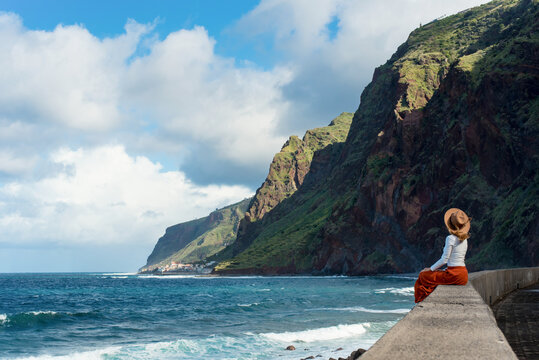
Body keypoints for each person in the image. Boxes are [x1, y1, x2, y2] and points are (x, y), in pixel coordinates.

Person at [414, 208, 471, 303]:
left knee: (423, 275)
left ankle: (423, 300)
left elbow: (444, 260)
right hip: (463, 275)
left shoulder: (451, 238)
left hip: (454, 275)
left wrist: (430, 269)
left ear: (450, 225)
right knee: (434, 275)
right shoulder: (465, 239)